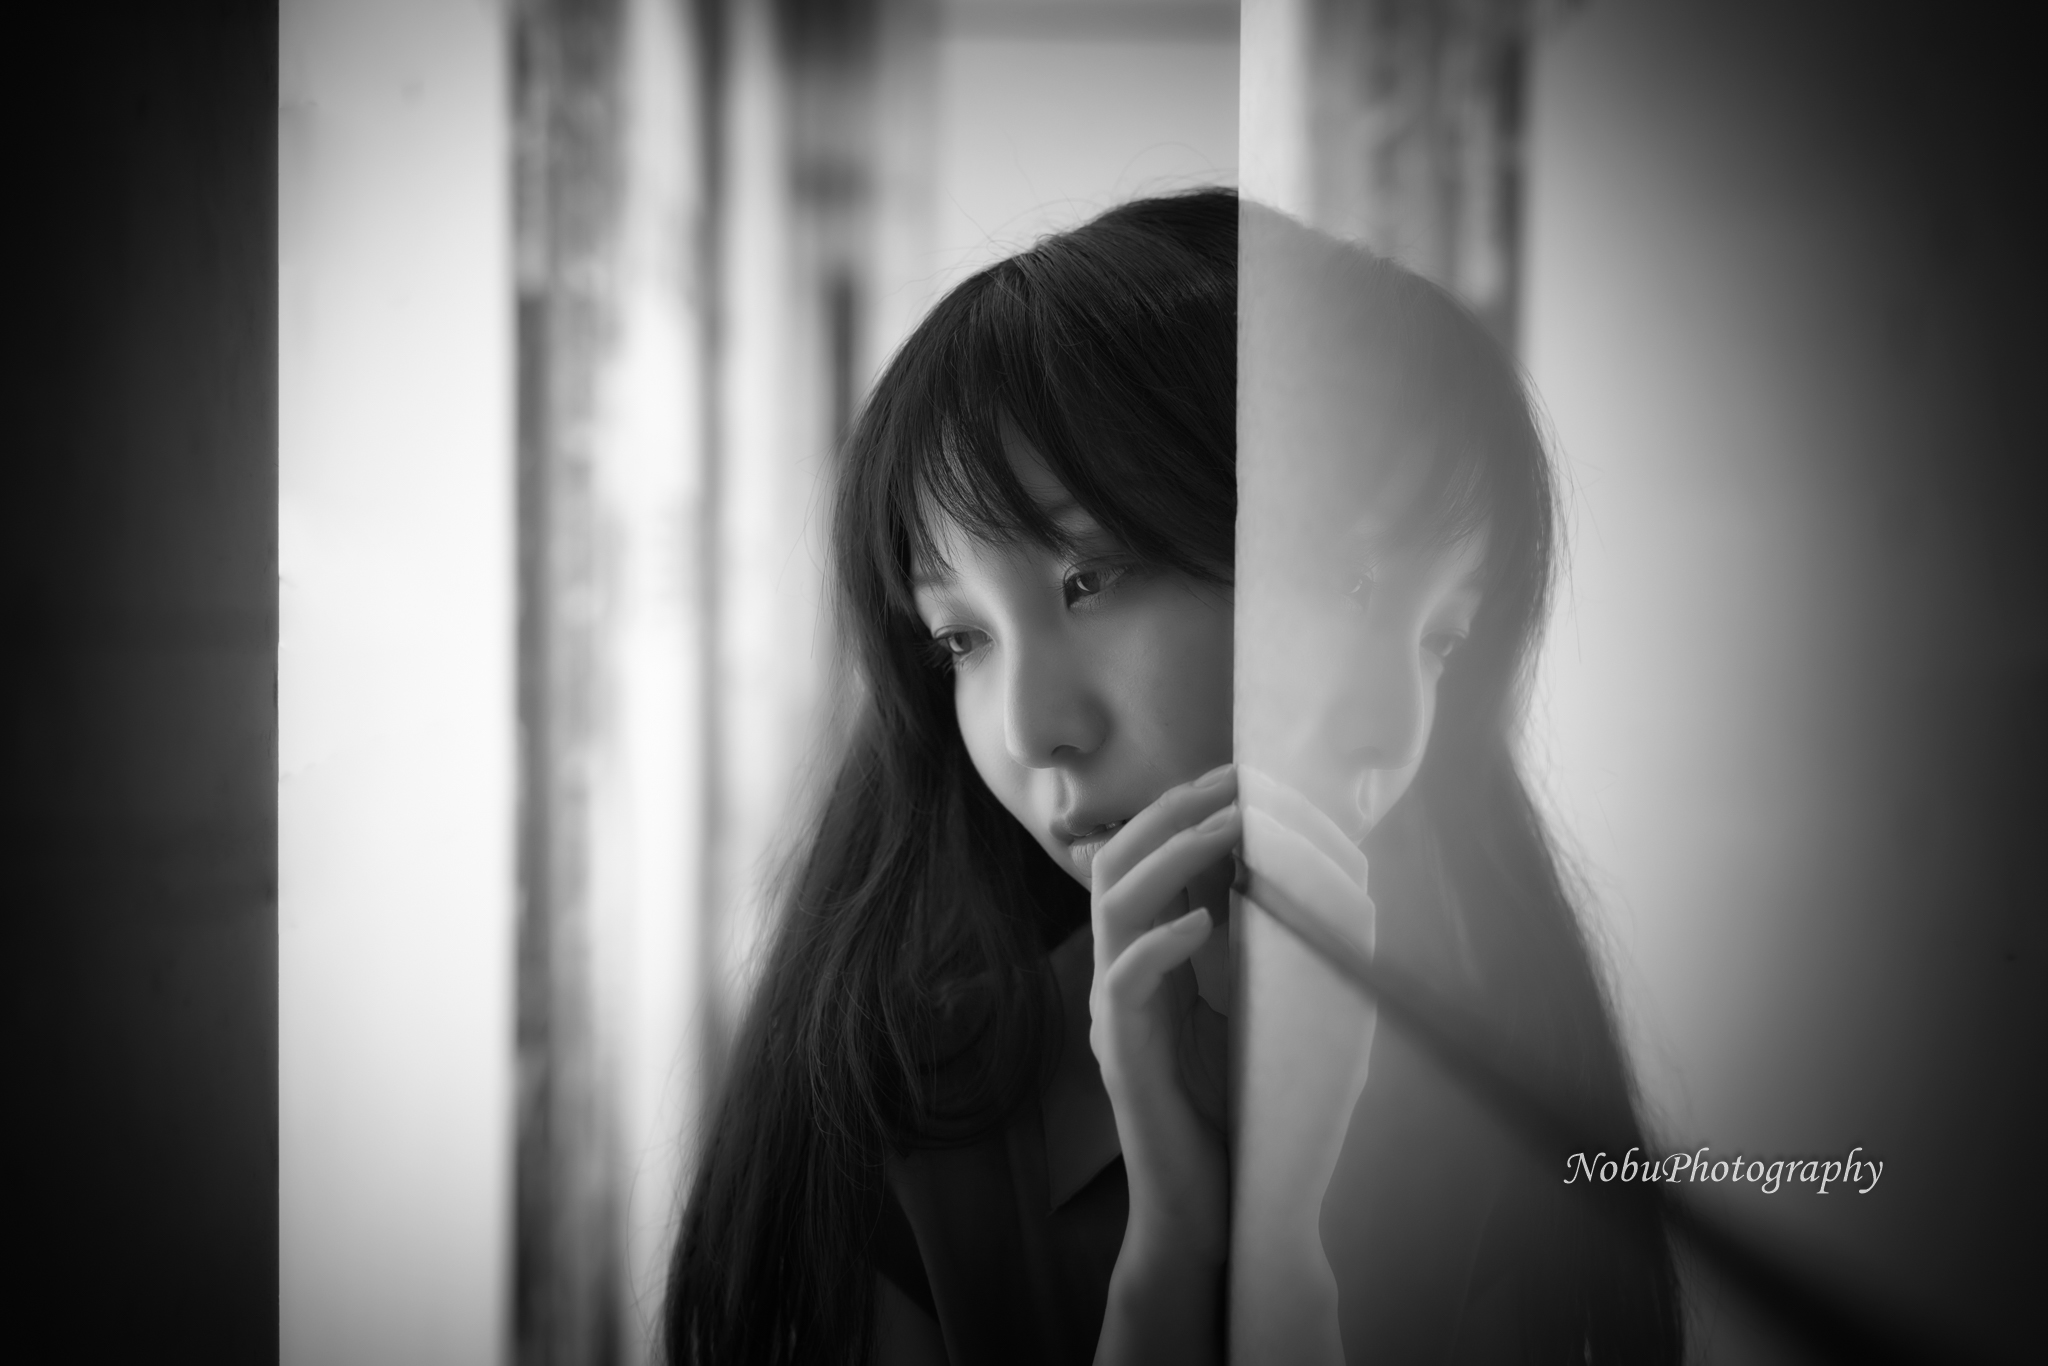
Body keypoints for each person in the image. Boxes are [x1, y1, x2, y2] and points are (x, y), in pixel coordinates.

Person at [662, 188, 1683, 1365]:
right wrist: (1172, 1253)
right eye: (960, 639)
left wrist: (1278, 1244)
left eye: (1087, 582)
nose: (1027, 730)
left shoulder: (1508, 1098)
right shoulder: (893, 1107)